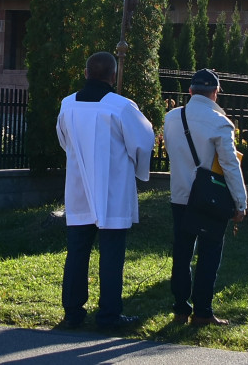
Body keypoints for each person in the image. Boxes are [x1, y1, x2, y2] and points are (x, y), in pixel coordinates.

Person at [57, 51, 155, 329]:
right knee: (112, 254)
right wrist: (134, 167)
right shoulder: (122, 107)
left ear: (86, 73)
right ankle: (109, 316)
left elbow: (63, 141)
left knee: (77, 251)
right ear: (113, 76)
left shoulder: (67, 105)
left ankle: (73, 313)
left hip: (79, 187)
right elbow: (142, 143)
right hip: (112, 189)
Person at [164, 69, 247, 326]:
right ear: (216, 92)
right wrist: (240, 202)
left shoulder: (171, 118)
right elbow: (230, 165)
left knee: (182, 253)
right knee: (209, 254)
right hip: (210, 197)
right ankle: (202, 312)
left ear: (190, 91)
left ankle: (180, 309)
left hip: (180, 194)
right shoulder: (219, 122)